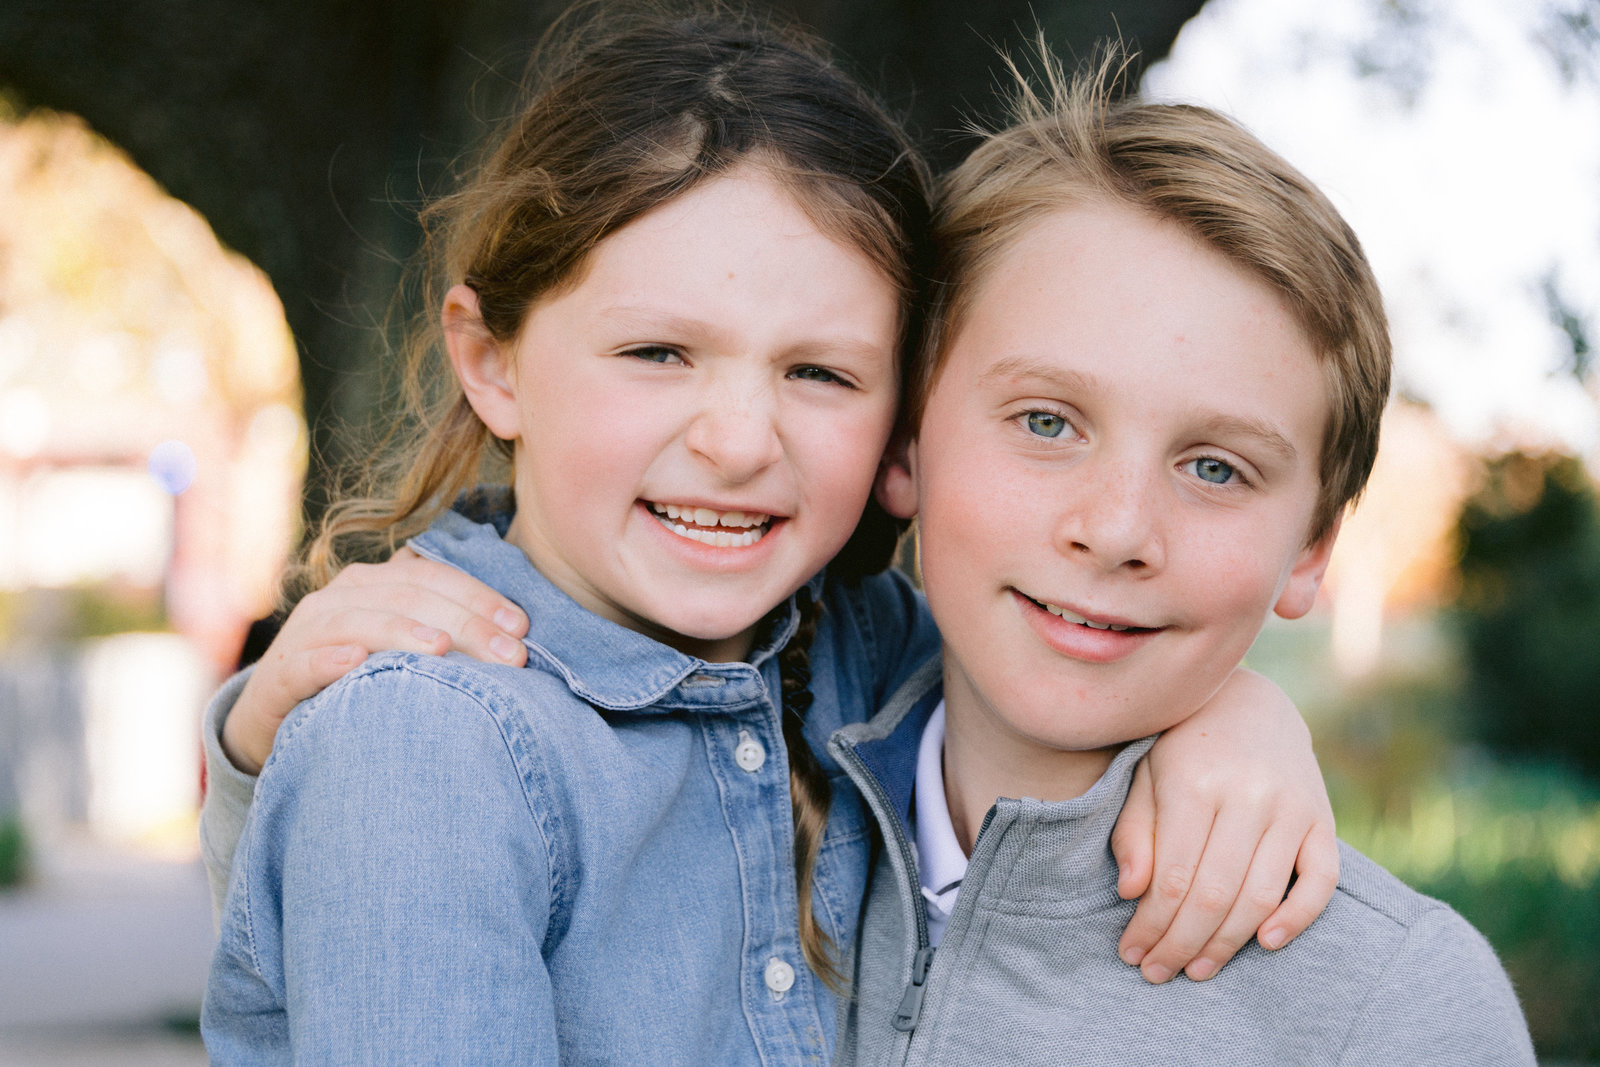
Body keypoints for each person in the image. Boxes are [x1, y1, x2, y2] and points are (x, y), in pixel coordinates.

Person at [201, 13, 1339, 1063]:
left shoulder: (864, 649)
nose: (739, 440)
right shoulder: (431, 739)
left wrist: (1239, 714)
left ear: (899, 419)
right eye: (656, 352)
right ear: (492, 361)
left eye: (819, 372)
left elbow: (1068, 664)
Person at [831, 53, 1536, 1065]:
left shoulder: (1391, 1006)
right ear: (904, 442)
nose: (1116, 529)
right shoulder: (729, 788)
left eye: (1214, 467)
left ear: (1311, 549)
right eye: (1045, 420)